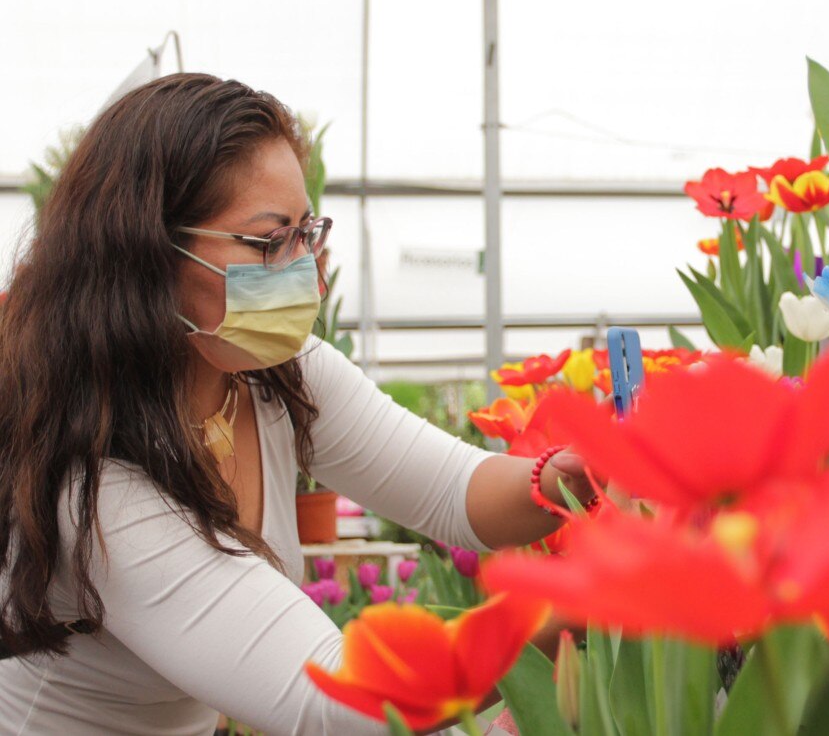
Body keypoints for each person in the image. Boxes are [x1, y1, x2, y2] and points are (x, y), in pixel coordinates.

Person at [0, 73, 594, 735]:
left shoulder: (274, 376)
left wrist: (573, 478)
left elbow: (454, 491)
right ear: (148, 255)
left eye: (307, 232)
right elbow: (336, 702)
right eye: (268, 242)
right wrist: (594, 599)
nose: (306, 273)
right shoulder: (98, 483)